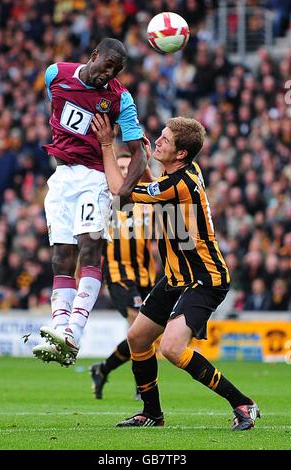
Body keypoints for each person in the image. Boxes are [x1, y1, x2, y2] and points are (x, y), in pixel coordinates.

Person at [91, 113, 260, 431]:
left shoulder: (178, 184)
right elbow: (149, 184)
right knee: (138, 339)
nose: (158, 140)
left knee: (170, 347)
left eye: (165, 140)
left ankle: (243, 403)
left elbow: (120, 190)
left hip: (204, 279)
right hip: (175, 278)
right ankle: (151, 414)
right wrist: (142, 153)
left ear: (181, 153)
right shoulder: (185, 171)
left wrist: (105, 143)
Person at [32, 38, 147, 366]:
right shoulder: (55, 74)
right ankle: (58, 331)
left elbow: (140, 152)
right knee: (60, 257)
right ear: (93, 55)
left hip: (94, 178)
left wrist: (123, 191)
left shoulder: (120, 98)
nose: (108, 74)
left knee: (88, 250)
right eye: (106, 65)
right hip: (61, 178)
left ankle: (75, 332)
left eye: (115, 70)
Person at [90, 152, 157, 399]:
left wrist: (145, 163)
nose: (124, 172)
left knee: (146, 332)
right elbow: (89, 242)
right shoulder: (102, 200)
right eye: (119, 167)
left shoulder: (144, 200)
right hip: (117, 274)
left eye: (129, 167)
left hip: (145, 276)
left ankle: (103, 369)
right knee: (138, 325)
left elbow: (159, 192)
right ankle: (143, 386)